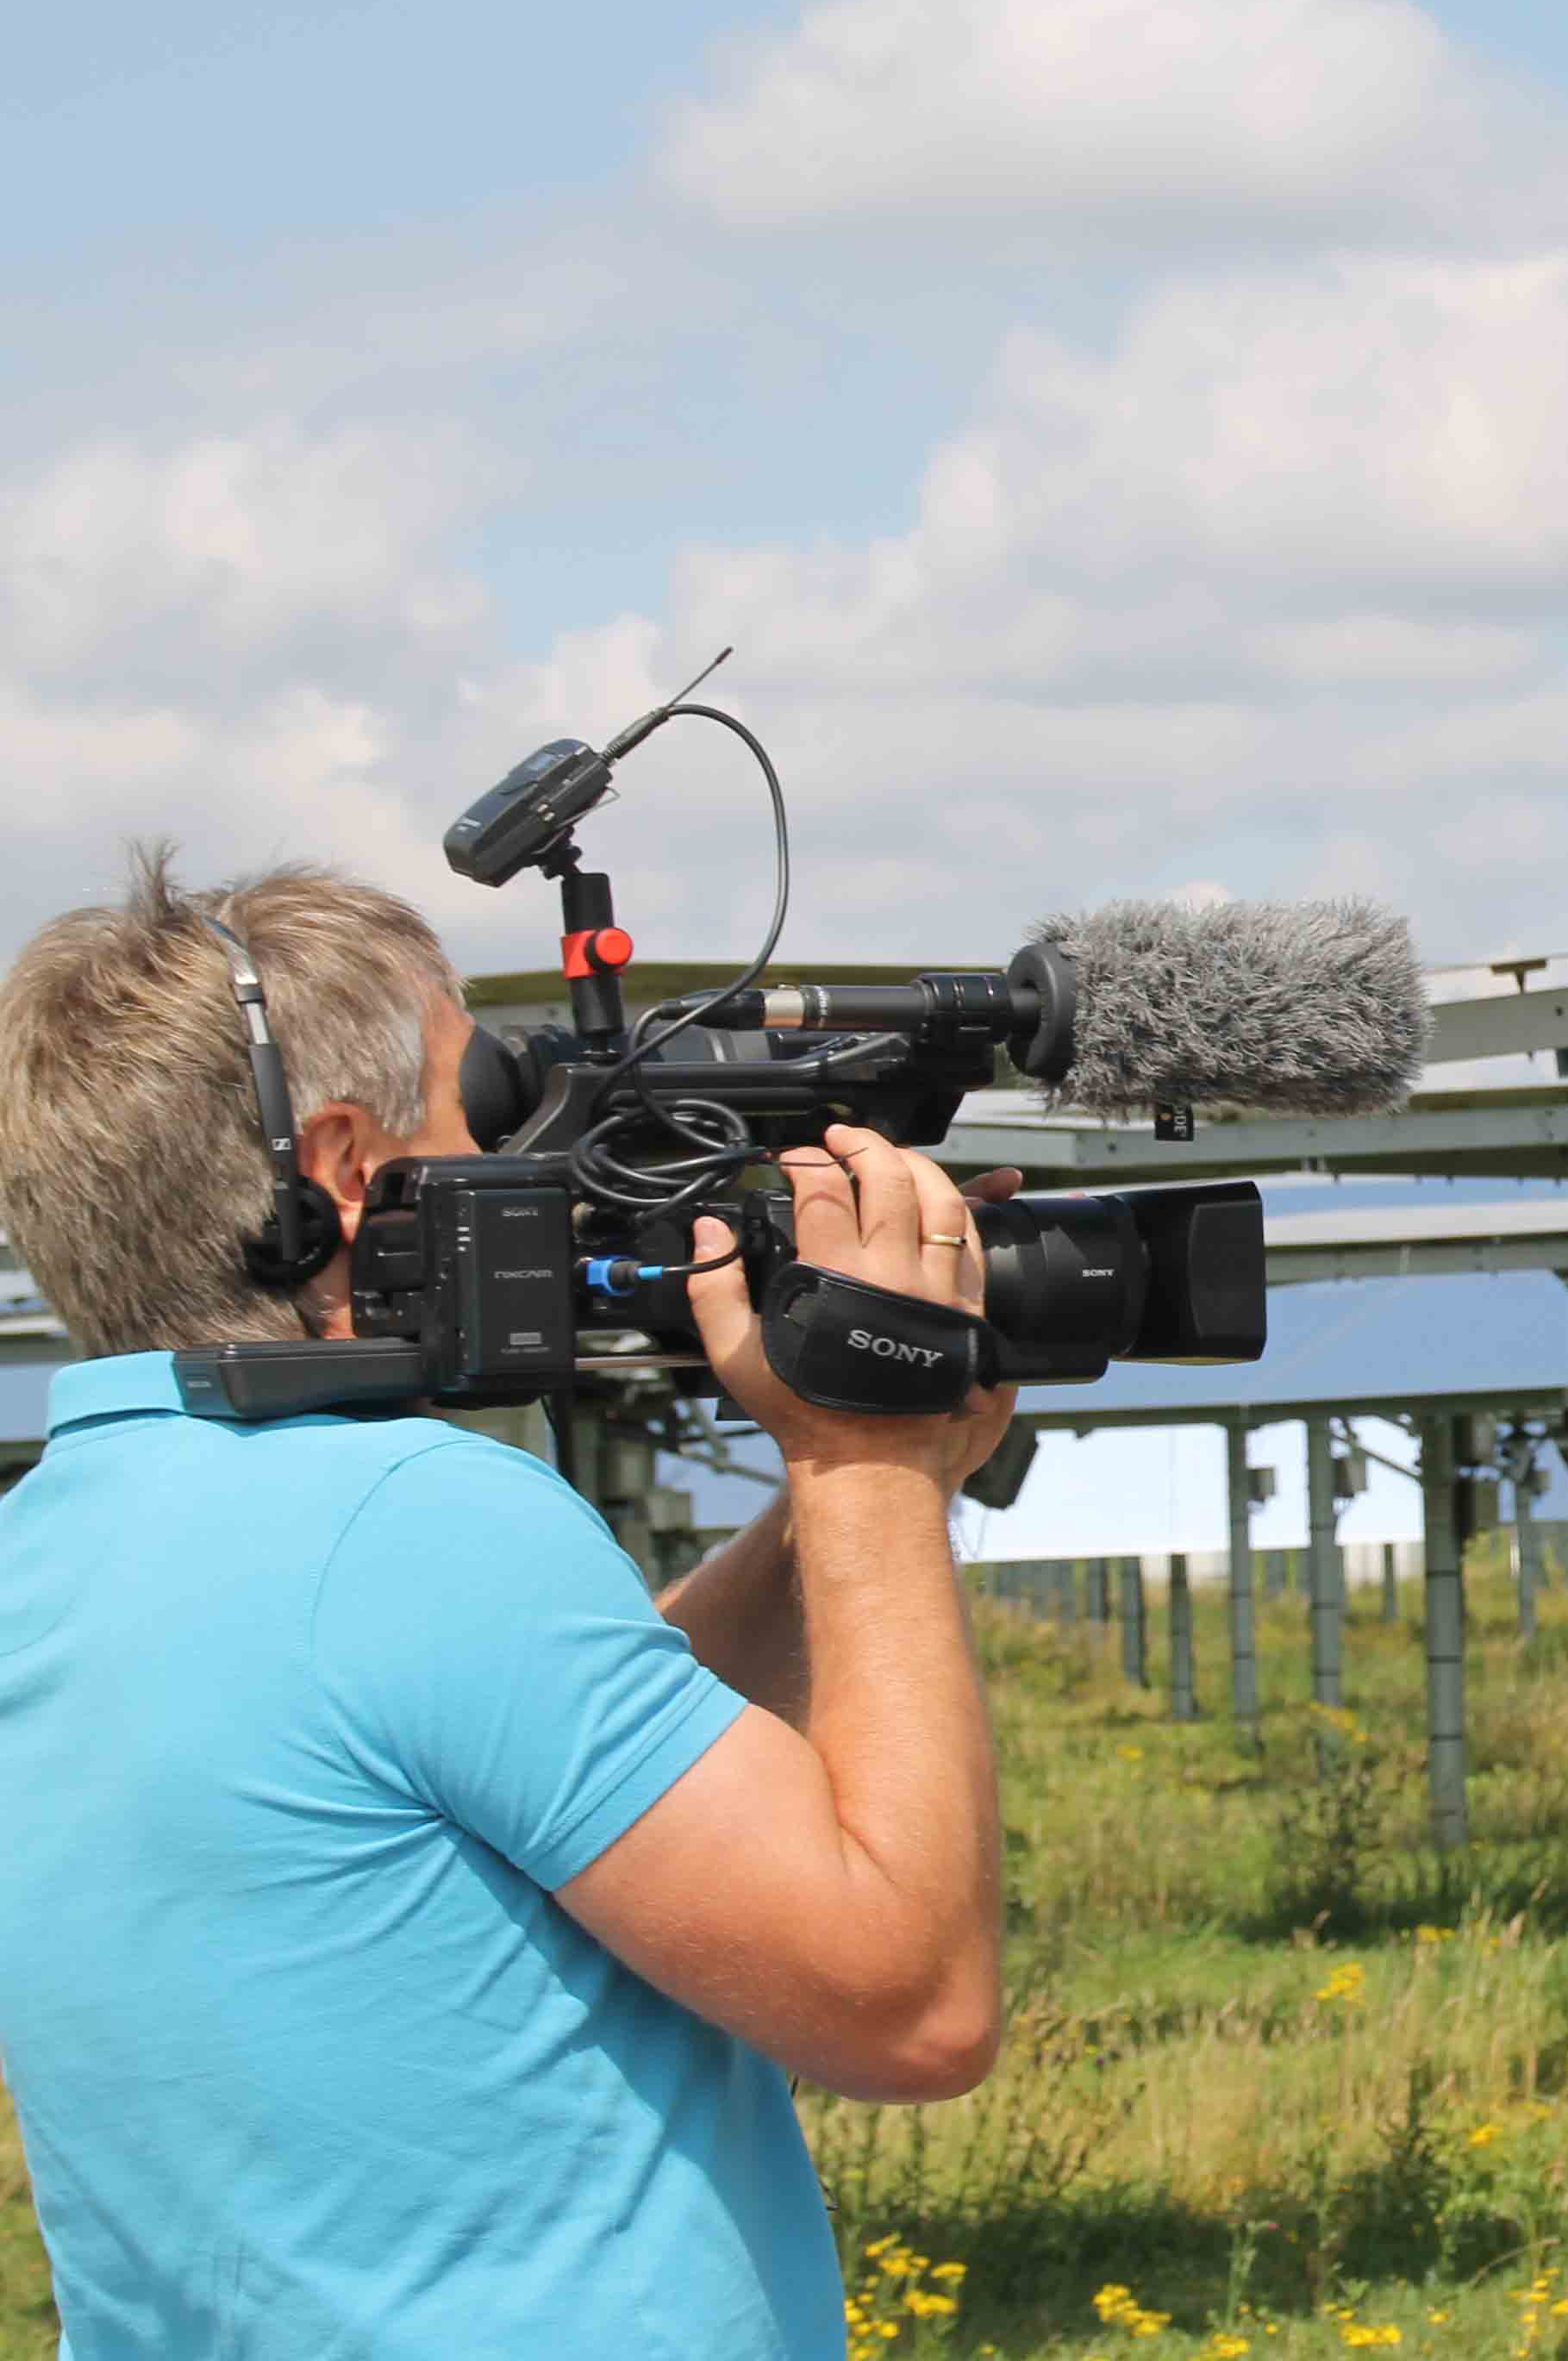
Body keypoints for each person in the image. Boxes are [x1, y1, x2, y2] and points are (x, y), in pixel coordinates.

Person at [0, 853, 1022, 2360]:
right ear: (346, 1169)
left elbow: (551, 1766)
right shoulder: (412, 1522)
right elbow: (914, 2001)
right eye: (479, 1107)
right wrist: (867, 1464)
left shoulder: (57, 1543)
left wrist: (846, 1507)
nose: (527, 1164)